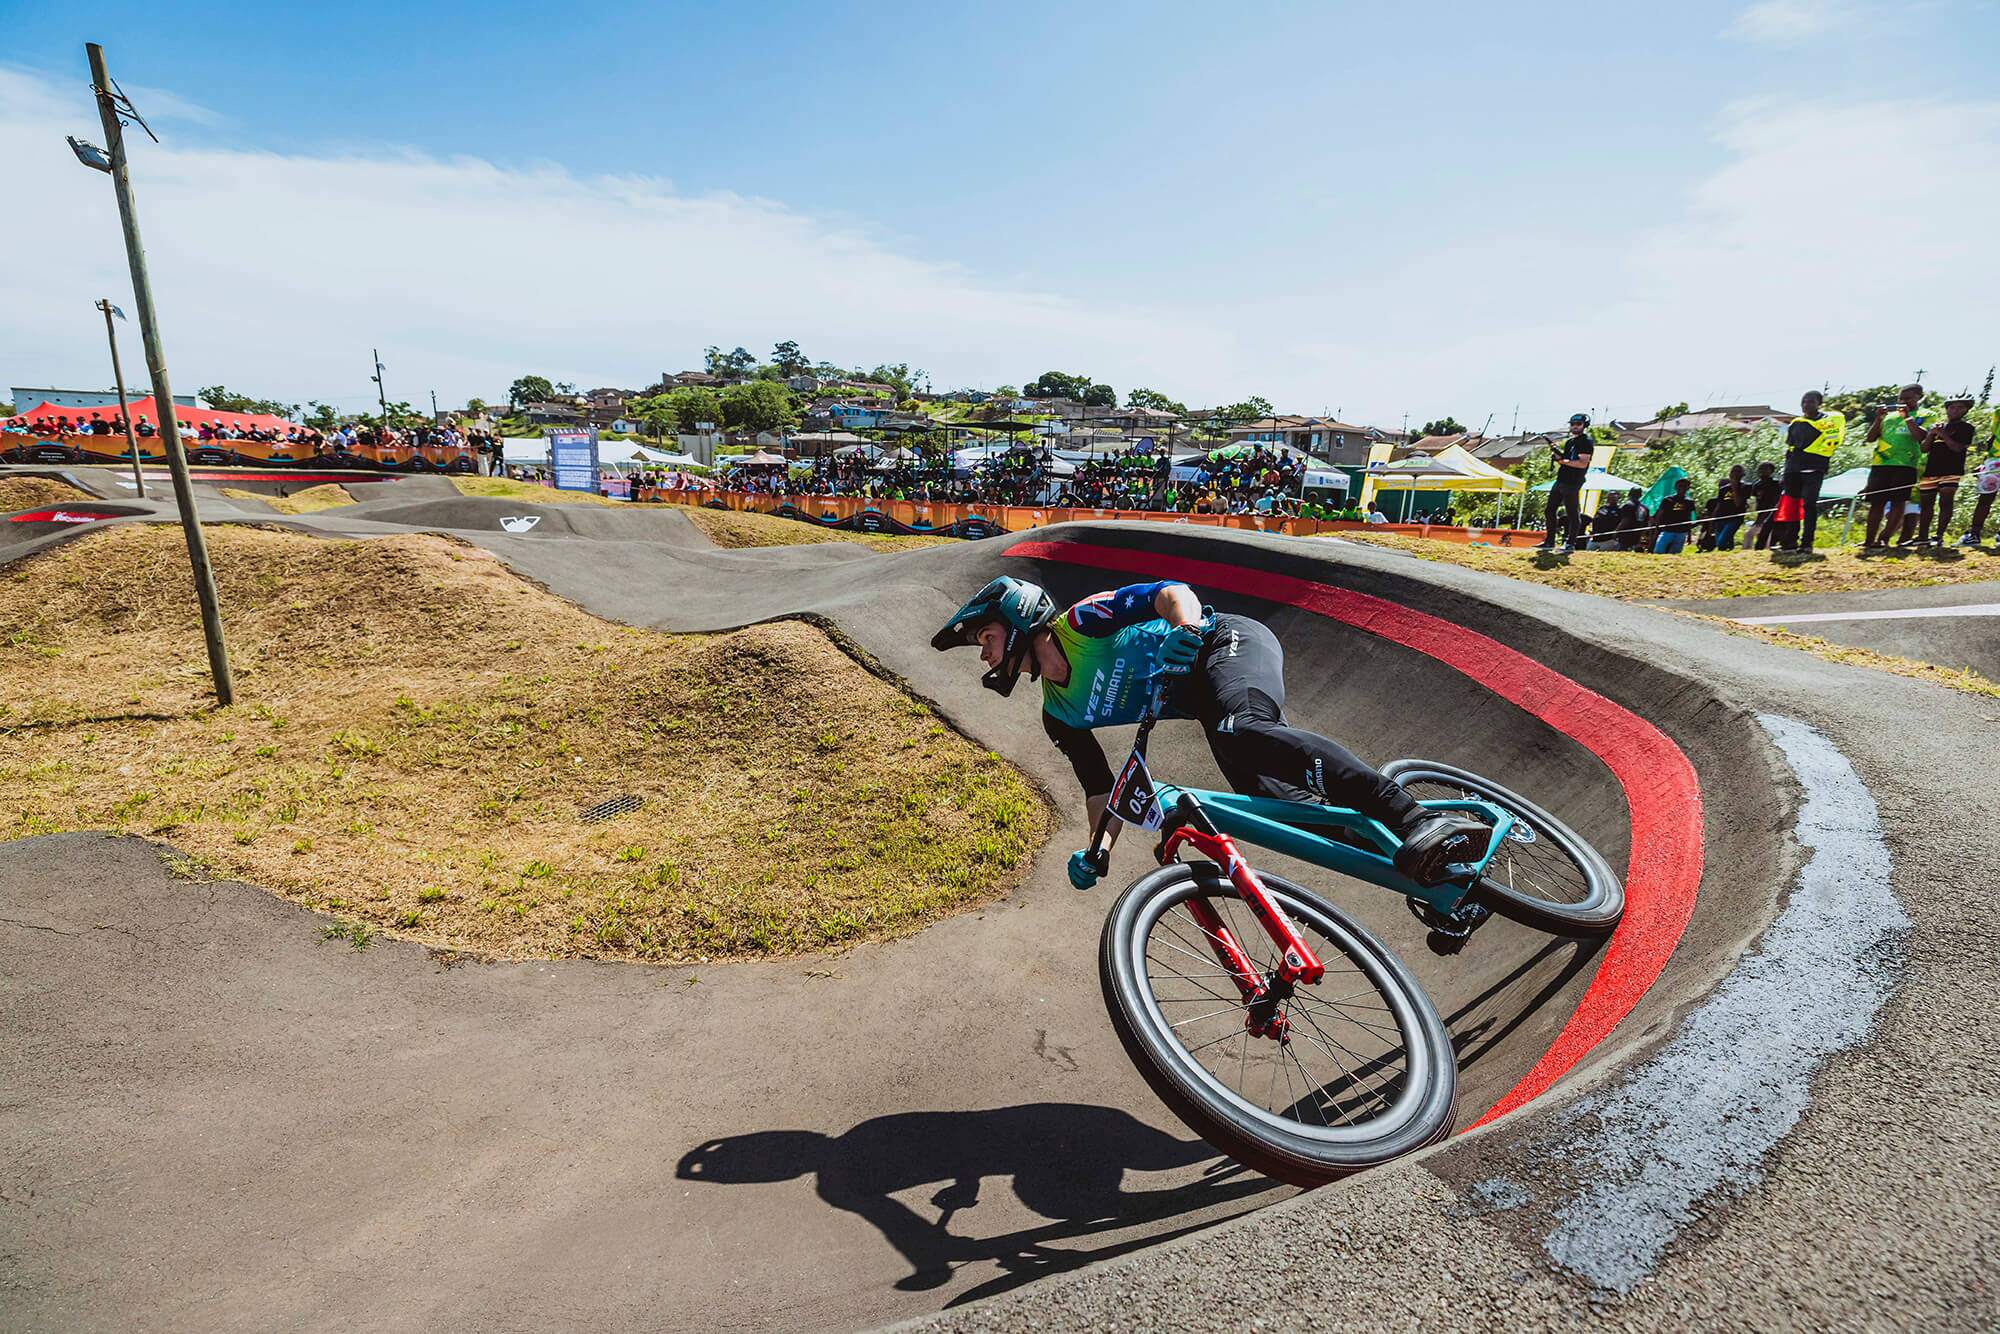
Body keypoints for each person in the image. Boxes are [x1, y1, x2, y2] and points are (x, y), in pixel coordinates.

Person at [930, 577, 1488, 891]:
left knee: (1243, 730)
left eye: (986, 637)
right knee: (1283, 808)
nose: (983, 654)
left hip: (1228, 643)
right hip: (1208, 710)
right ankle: (1431, 879)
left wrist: (1187, 628)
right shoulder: (1060, 715)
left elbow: (1170, 593)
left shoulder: (1080, 623)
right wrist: (1097, 849)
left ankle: (1414, 816)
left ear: (1020, 619)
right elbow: (1102, 790)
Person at [1863, 384, 1929, 549]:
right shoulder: (1889, 416)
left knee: (1898, 502)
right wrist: (1878, 419)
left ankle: (1884, 538)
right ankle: (1869, 540)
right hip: (1880, 463)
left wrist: (1907, 418)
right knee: (1876, 502)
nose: (1904, 401)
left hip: (1906, 465)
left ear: (1919, 397)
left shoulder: (1926, 414)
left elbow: (1921, 436)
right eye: (1901, 398)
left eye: (1909, 398)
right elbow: (1870, 438)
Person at [1779, 390, 1844, 552]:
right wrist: (1786, 470)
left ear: (1819, 403)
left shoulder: (1830, 421)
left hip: (1814, 468)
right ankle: (1790, 541)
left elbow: (1832, 443)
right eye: (1803, 402)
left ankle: (1807, 542)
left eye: (1810, 402)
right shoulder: (1796, 423)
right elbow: (1790, 447)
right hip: (1793, 469)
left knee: (1809, 504)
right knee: (1792, 505)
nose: (1806, 405)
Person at [1915, 393, 1974, 546]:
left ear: (1965, 410)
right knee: (1926, 505)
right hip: (1931, 471)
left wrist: (1942, 434)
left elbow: (1957, 448)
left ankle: (1938, 536)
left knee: (1945, 503)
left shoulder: (1966, 428)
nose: (1955, 410)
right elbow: (1923, 449)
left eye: (1960, 407)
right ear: (1947, 409)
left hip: (1951, 471)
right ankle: (1922, 537)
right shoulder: (1937, 426)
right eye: (1952, 407)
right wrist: (1931, 434)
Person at [1539, 413, 1593, 553]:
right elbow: (1566, 458)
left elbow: (1582, 463)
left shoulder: (1586, 441)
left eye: (1578, 424)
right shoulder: (1570, 442)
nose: (1574, 427)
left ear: (1584, 426)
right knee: (1549, 510)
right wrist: (1557, 455)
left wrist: (1562, 461)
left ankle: (1570, 543)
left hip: (1573, 482)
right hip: (1561, 480)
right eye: (1572, 424)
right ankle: (1549, 541)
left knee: (1572, 514)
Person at [1960, 451, 1999, 550]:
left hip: (1993, 464)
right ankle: (1974, 536)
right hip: (1992, 464)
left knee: (1984, 502)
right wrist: (1985, 464)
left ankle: (1974, 535)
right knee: (1985, 502)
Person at [1653, 478, 1697, 554]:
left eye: (1685, 486)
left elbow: (1689, 518)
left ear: (1687, 488)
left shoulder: (1689, 502)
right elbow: (1659, 515)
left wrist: (1689, 535)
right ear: (1676, 487)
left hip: (1681, 532)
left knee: (1675, 554)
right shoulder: (1667, 500)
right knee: (1658, 552)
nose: (1682, 488)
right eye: (1680, 486)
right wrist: (1657, 529)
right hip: (1667, 531)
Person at [1748, 462, 1784, 549]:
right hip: (1761, 511)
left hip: (1774, 511)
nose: (1762, 471)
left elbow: (1776, 499)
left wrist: (1769, 511)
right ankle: (1760, 547)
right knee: (1760, 530)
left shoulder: (1775, 484)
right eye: (1760, 469)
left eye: (1765, 469)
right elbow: (1756, 499)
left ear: (1771, 471)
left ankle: (1772, 545)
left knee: (1774, 530)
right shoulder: (1756, 485)